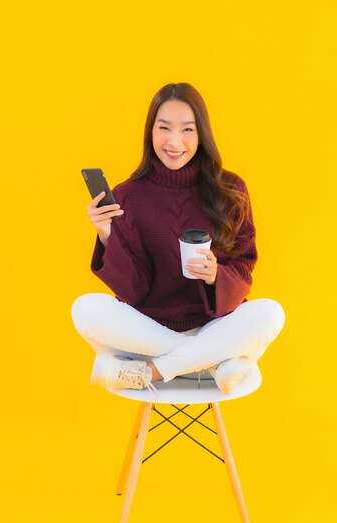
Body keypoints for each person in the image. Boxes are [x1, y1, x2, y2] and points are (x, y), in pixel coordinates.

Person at [71, 82, 285, 396]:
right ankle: (213, 365)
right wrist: (107, 235)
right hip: (150, 329)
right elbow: (134, 290)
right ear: (150, 132)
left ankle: (152, 371)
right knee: (84, 308)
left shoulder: (231, 189)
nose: (174, 141)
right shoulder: (129, 195)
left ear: (202, 135)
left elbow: (243, 271)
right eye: (164, 128)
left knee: (270, 313)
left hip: (215, 325)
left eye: (187, 130)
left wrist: (216, 276)